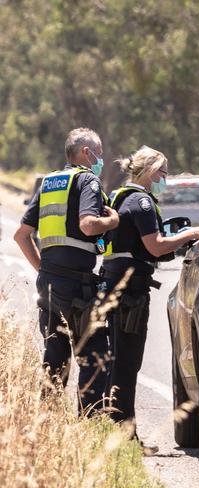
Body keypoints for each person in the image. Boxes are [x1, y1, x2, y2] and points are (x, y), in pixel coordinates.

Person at [101, 146, 199, 442]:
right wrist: (191, 234)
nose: (165, 178)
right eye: (163, 172)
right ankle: (124, 434)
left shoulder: (120, 196)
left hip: (114, 284)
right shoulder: (142, 202)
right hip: (129, 293)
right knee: (128, 362)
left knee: (117, 360)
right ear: (149, 172)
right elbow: (156, 246)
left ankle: (116, 429)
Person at [13, 127, 119, 414]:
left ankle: (46, 422)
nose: (101, 159)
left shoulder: (49, 182)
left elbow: (22, 235)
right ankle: (91, 423)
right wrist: (112, 222)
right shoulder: (88, 180)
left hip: (48, 284)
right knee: (94, 355)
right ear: (87, 152)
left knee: (55, 356)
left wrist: (42, 269)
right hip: (78, 287)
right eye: (99, 152)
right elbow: (88, 225)